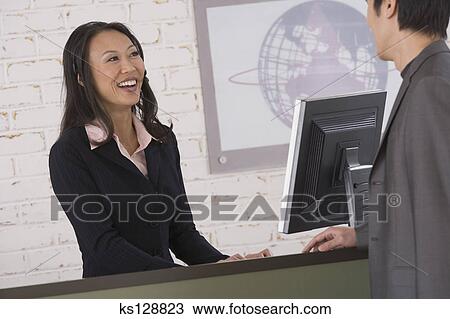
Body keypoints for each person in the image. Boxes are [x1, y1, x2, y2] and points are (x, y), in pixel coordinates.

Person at [49, 22, 271, 278]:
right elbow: (103, 248)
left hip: (167, 292)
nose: (129, 67)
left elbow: (181, 233)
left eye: (134, 54)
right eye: (112, 59)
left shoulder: (162, 140)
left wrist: (228, 265)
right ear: (81, 77)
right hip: (114, 297)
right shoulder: (70, 153)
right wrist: (186, 277)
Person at [302, 0, 450, 298]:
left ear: (390, 6)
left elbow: (441, 223)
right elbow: (420, 210)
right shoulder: (425, 78)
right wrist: (363, 234)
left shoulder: (431, 87)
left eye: (369, 5)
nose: (369, 21)